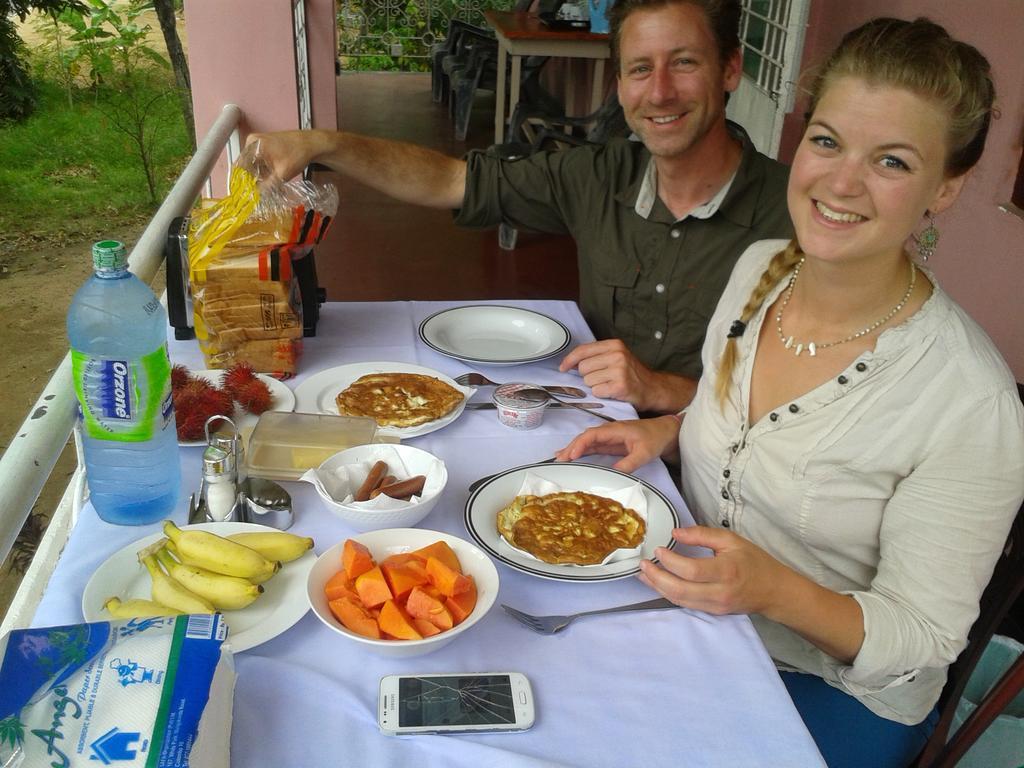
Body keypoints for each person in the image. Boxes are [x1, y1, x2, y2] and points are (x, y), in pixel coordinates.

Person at [555, 16, 1024, 768]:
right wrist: (668, 429)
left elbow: (921, 640)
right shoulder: (762, 269)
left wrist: (772, 590)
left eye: (893, 162)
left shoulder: (969, 402)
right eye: (829, 141)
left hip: (829, 685)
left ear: (947, 186)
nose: (840, 182)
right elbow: (727, 404)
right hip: (690, 613)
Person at [245, 0, 792, 415]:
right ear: (620, 85)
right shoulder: (599, 175)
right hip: (590, 423)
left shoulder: (794, 221)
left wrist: (660, 390)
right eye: (640, 69)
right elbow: (451, 180)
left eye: (685, 62)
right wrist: (324, 144)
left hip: (714, 479)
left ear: (729, 70)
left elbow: (806, 407)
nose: (661, 92)